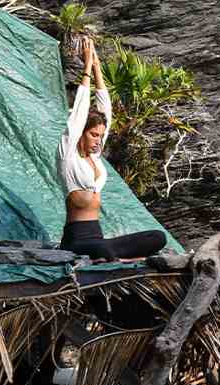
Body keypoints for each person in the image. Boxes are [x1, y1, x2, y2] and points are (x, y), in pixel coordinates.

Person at [57, 39, 166, 262]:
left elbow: (104, 107)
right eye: (93, 135)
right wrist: (86, 67)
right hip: (76, 241)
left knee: (158, 237)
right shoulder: (68, 156)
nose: (98, 140)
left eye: (100, 135)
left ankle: (115, 257)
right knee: (105, 251)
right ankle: (116, 258)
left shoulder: (95, 159)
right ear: (82, 133)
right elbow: (78, 114)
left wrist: (98, 67)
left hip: (97, 238)